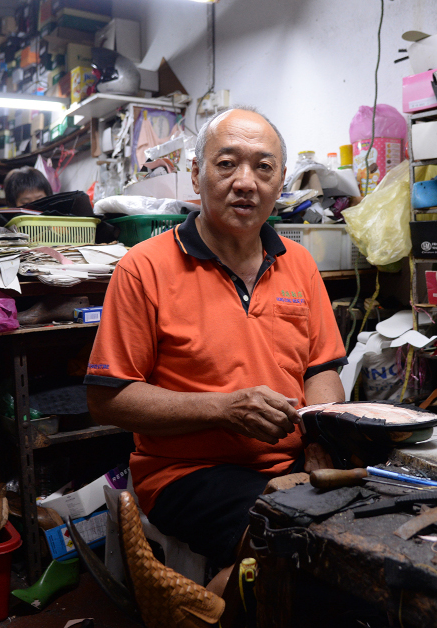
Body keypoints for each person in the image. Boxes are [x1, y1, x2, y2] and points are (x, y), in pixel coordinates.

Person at [85, 106, 346, 591]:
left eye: (263, 167)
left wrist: (319, 437)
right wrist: (224, 409)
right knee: (298, 541)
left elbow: (323, 368)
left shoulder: (301, 264)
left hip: (289, 463)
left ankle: (206, 604)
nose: (245, 182)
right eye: (226, 163)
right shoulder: (144, 269)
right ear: (195, 173)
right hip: (184, 473)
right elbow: (108, 398)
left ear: (281, 181)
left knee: (354, 531)